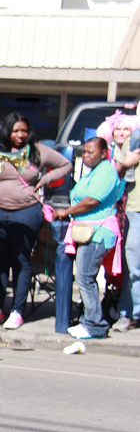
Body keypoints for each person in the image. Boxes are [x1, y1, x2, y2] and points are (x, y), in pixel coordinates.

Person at [0, 113, 72, 330]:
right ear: (7, 132)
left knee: (21, 260)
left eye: (24, 130)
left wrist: (44, 180)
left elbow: (65, 165)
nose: (20, 135)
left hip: (26, 212)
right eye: (15, 131)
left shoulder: (38, 150)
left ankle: (17, 310)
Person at [54, 137, 124, 339]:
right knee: (86, 277)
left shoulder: (106, 171)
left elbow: (92, 201)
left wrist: (66, 211)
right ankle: (90, 321)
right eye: (84, 151)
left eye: (90, 152)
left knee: (85, 277)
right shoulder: (91, 172)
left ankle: (94, 324)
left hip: (99, 233)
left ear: (103, 153)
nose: (85, 155)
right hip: (88, 232)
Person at [96, 112, 140, 331]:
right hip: (112, 214)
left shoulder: (134, 150)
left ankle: (125, 310)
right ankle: (114, 306)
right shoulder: (106, 154)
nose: (121, 133)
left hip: (129, 211)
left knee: (129, 263)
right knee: (115, 264)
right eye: (117, 129)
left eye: (126, 129)